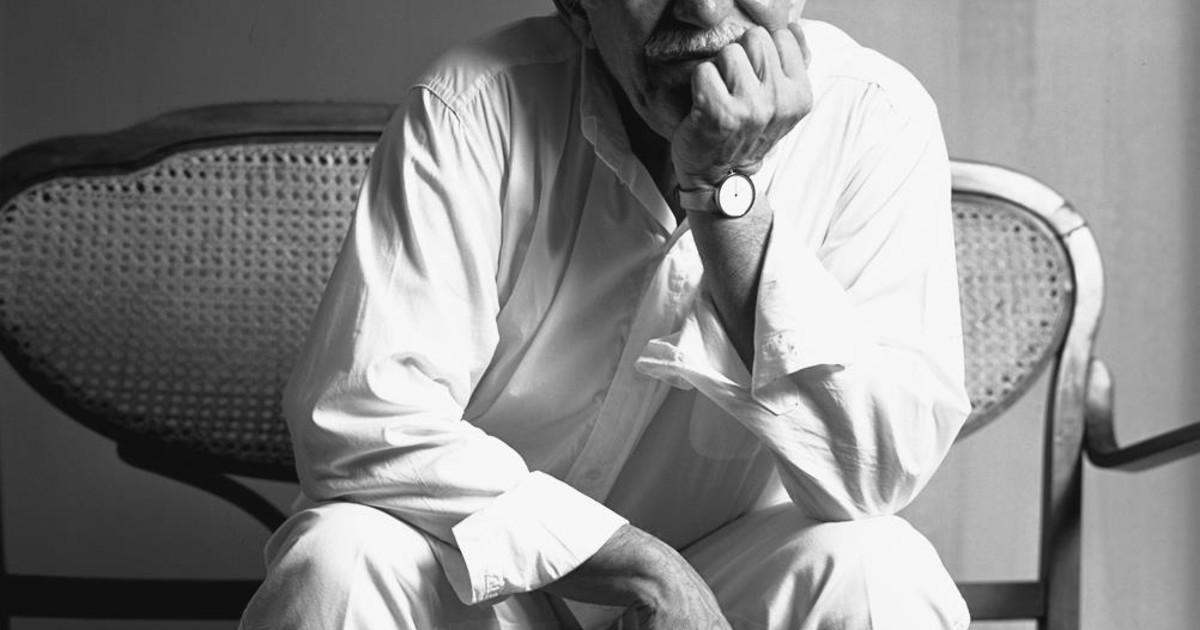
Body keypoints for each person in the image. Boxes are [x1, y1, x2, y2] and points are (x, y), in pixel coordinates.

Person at [241, 0, 973, 627]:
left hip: (727, 594)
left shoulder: (877, 117)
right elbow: (359, 416)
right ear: (576, 6)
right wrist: (639, 566)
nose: (703, 8)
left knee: (882, 570)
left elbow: (872, 472)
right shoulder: (474, 101)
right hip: (483, 592)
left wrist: (725, 192)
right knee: (341, 557)